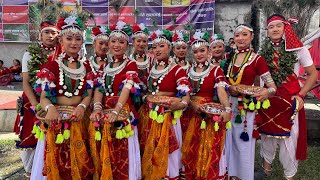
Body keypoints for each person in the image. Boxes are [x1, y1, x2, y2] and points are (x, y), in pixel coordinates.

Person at [256, 14, 317, 180]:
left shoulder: (299, 49)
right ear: (267, 31)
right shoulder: (263, 51)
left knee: (289, 139)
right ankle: (265, 170)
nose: (274, 29)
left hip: (290, 100)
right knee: (266, 135)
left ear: (285, 28)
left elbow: (312, 74)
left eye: (278, 26)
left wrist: (301, 95)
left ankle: (289, 175)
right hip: (268, 100)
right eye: (271, 27)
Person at [35, 13, 95, 179]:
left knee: (81, 165)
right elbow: (44, 97)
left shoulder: (86, 67)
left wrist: (83, 107)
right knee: (57, 164)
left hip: (79, 118)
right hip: (56, 120)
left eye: (78, 39)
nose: (74, 43)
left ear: (82, 42)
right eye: (69, 38)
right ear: (61, 41)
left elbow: (88, 94)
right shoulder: (52, 66)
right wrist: (50, 109)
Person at [89, 21, 141, 179]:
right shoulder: (105, 66)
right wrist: (97, 108)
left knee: (124, 151)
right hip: (105, 113)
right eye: (113, 41)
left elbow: (127, 87)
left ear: (127, 45)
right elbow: (99, 88)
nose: (116, 45)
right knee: (106, 151)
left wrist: (116, 110)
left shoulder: (131, 64)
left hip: (122, 112)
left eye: (121, 42)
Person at [224, 24, 277, 180]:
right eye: (237, 35)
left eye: (244, 35)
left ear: (252, 37)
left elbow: (271, 86)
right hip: (228, 104)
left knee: (243, 142)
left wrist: (267, 92)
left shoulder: (257, 59)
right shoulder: (230, 57)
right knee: (228, 139)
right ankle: (230, 174)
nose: (240, 38)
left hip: (245, 106)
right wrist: (229, 87)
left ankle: (244, 175)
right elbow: (223, 81)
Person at [140, 29, 191, 179]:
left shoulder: (177, 70)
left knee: (169, 151)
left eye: (161, 46)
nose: (157, 50)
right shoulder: (150, 69)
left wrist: (181, 104)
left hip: (168, 116)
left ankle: (170, 175)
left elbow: (186, 96)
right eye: (154, 47)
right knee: (151, 148)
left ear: (169, 48)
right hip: (150, 115)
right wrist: (146, 99)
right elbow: (145, 92)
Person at [12, 20, 59, 179]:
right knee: (32, 136)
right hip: (32, 101)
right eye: (47, 32)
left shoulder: (62, 53)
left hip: (55, 101)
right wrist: (36, 105)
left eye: (54, 33)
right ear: (41, 34)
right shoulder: (30, 54)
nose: (50, 36)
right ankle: (31, 172)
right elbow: (26, 82)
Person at [181, 31, 231, 179]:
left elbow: (221, 91)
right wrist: (191, 103)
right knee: (191, 146)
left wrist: (227, 108)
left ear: (208, 51)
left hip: (208, 115)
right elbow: (185, 93)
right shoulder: (188, 71)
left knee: (208, 147)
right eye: (195, 51)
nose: (198, 54)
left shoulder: (216, 70)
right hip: (190, 113)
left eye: (202, 50)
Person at [129, 23, 152, 108]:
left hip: (149, 99)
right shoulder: (128, 60)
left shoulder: (152, 61)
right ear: (133, 42)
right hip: (131, 99)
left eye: (144, 41)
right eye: (138, 41)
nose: (141, 44)